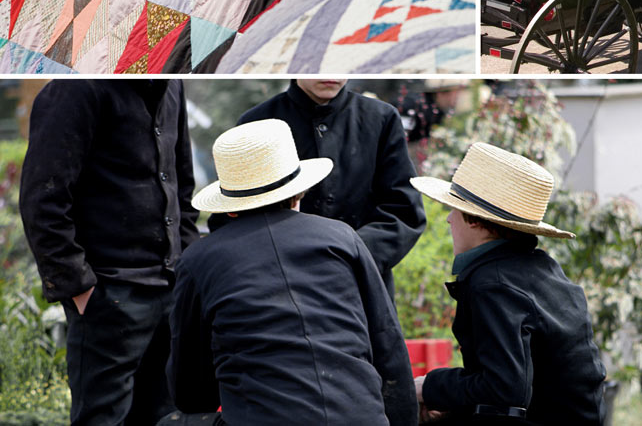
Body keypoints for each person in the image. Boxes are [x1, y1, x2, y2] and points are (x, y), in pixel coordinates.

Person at [167, 119, 416, 425]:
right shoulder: (342, 238)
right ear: (299, 192)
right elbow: (387, 345)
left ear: (229, 207)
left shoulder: (198, 261)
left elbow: (190, 389)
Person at [19, 81, 198, 426]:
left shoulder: (172, 83)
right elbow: (43, 198)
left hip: (170, 289)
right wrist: (81, 289)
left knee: (167, 417)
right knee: (102, 419)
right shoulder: (77, 89)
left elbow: (182, 185)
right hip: (108, 294)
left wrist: (186, 265)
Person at [413, 143, 607, 424]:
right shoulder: (538, 266)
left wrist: (429, 387)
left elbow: (504, 389)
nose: (448, 218)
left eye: (454, 209)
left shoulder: (493, 284)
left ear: (476, 221)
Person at [212, 79, 425, 300]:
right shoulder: (257, 123)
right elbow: (232, 213)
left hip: (360, 287)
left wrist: (348, 257)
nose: (330, 73)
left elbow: (404, 211)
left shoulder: (380, 118)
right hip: (276, 288)